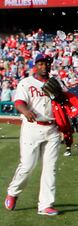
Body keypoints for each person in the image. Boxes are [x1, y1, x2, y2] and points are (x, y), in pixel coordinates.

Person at [5, 54, 63, 215]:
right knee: (27, 166)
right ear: (35, 66)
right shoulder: (26, 82)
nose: (44, 66)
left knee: (50, 168)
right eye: (41, 63)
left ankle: (45, 205)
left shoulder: (56, 83)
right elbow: (18, 102)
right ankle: (13, 192)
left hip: (52, 129)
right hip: (32, 128)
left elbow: (64, 102)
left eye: (47, 63)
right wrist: (25, 111)